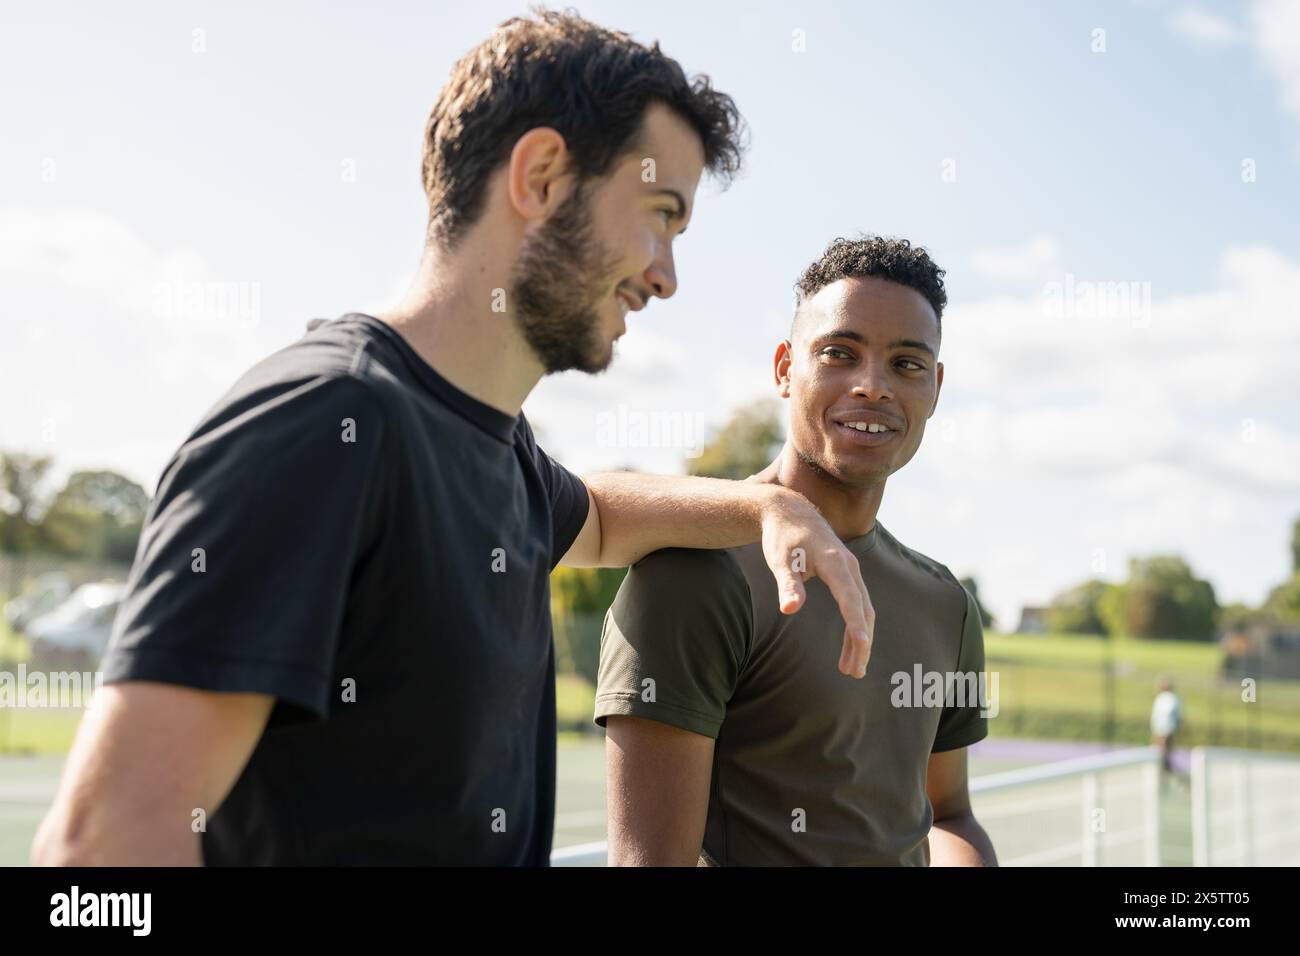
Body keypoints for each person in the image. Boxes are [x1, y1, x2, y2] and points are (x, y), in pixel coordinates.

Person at [30, 10, 876, 867]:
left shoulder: (501, 454)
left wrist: (769, 506)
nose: (666, 274)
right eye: (659, 215)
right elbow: (99, 854)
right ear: (542, 176)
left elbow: (609, 518)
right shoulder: (324, 426)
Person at [596, 236, 997, 866]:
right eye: (840, 354)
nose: (873, 387)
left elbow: (949, 815)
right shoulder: (691, 575)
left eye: (907, 365)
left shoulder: (946, 603)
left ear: (936, 388)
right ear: (785, 368)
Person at [1150, 676, 1183, 775]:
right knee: (1162, 750)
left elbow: (1170, 714)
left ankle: (1165, 769)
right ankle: (1164, 769)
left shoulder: (1169, 698)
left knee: (1163, 750)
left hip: (1165, 728)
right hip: (1164, 728)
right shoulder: (1169, 698)